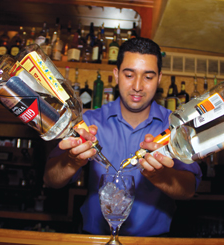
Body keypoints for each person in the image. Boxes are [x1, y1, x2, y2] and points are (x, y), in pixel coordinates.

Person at [43, 37, 202, 237]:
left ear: (159, 78)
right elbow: (50, 179)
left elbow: (188, 190)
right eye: (129, 75)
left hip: (153, 242)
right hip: (95, 239)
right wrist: (71, 161)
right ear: (116, 75)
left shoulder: (173, 127)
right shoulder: (88, 122)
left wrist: (161, 176)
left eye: (148, 77)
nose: (137, 86)